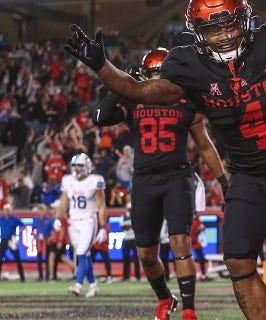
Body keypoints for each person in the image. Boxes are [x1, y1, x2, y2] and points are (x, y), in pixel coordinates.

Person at [64, 1, 266, 319]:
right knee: (237, 259)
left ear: (245, 20)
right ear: (197, 32)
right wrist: (101, 66)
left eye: (229, 24)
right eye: (212, 28)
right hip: (248, 175)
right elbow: (141, 91)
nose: (224, 35)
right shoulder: (188, 64)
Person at [91, 46, 227, 320]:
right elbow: (100, 118)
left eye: (158, 73)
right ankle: (166, 298)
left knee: (180, 242)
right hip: (144, 180)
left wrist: (224, 181)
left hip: (177, 177)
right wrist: (119, 87)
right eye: (151, 73)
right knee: (146, 254)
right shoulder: (133, 98)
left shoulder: (185, 99)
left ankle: (189, 310)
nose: (154, 78)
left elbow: (204, 144)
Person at [56, 153, 107, 297]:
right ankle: (93, 285)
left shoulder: (94, 180)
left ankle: (78, 285)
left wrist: (103, 227)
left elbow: (101, 205)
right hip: (74, 222)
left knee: (81, 253)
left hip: (88, 221)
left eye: (80, 165)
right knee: (85, 255)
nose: (77, 169)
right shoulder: (68, 181)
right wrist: (58, 218)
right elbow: (64, 201)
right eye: (75, 166)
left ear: (87, 167)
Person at [191, 174, 210, 281]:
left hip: (194, 238)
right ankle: (188, 275)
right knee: (185, 258)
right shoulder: (188, 214)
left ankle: (202, 274)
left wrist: (201, 228)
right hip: (189, 238)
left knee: (200, 258)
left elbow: (200, 225)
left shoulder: (195, 215)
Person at [0, 203, 25, 282]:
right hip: (4, 239)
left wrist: (18, 234)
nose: (7, 211)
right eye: (5, 210)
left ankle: (22, 277)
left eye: (8, 210)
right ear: (3, 211)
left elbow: (23, 226)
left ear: (10, 210)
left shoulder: (15, 219)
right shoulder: (1, 219)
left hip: (12, 240)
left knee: (17, 258)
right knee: (0, 258)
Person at [32, 204, 54, 281]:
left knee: (48, 259)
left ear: (45, 211)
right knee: (39, 260)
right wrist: (35, 236)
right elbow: (32, 229)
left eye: (42, 210)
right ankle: (40, 276)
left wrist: (51, 238)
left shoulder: (49, 220)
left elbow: (53, 231)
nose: (41, 212)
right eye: (40, 210)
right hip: (39, 242)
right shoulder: (36, 220)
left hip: (47, 241)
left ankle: (47, 276)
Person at [120, 201, 141, 281]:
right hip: (127, 238)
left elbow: (136, 226)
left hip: (134, 238)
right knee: (126, 258)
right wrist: (130, 226)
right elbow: (122, 227)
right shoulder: (123, 216)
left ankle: (137, 276)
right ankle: (126, 276)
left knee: (136, 258)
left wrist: (128, 226)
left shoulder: (136, 216)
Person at [91, 218, 113, 283]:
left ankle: (109, 276)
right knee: (90, 261)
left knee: (106, 261)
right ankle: (88, 276)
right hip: (96, 244)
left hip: (102, 245)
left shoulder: (106, 225)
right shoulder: (98, 221)